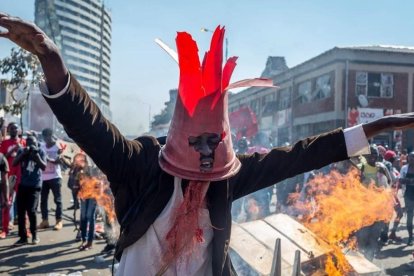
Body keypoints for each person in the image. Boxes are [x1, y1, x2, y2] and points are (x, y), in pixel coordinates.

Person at [3, 14, 414, 275]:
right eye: (198, 142)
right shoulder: (141, 160)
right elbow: (87, 123)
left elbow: (298, 157)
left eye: (214, 142)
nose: (205, 153)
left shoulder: (228, 175)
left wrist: (379, 126)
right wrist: (51, 57)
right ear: (180, 136)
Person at [12, 134, 46, 245]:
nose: (31, 145)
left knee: (31, 211)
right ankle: (23, 237)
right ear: (25, 144)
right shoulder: (22, 151)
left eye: (33, 143)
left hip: (35, 186)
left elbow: (44, 167)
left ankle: (35, 235)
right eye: (29, 143)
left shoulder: (40, 152)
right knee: (21, 212)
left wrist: (36, 156)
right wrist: (23, 154)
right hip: (23, 185)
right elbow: (14, 163)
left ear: (37, 143)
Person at [0, 122, 25, 239]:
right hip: (9, 176)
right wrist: (13, 150)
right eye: (12, 128)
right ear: (9, 130)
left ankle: (26, 229)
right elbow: (2, 158)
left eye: (16, 128)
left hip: (21, 176)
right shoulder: (5, 143)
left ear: (19, 130)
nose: (14, 130)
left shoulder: (24, 142)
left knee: (24, 203)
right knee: (7, 203)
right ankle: (5, 229)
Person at [38, 128, 64, 230]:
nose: (46, 139)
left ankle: (59, 221)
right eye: (44, 137)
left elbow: (59, 161)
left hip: (55, 177)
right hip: (43, 178)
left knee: (57, 200)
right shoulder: (42, 146)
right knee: (43, 200)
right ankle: (45, 221)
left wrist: (47, 159)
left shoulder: (58, 147)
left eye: (48, 136)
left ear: (52, 135)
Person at [399, 152, 414, 245]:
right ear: (408, 158)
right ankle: (410, 237)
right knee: (409, 216)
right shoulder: (404, 168)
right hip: (408, 194)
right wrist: (409, 181)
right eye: (410, 157)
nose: (412, 159)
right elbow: (400, 180)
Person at [0, 153, 9, 238]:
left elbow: (5, 180)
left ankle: (4, 229)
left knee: (3, 208)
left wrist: (6, 198)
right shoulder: (2, 157)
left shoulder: (2, 158)